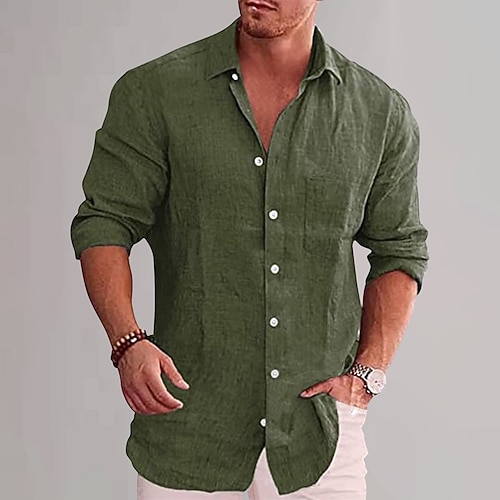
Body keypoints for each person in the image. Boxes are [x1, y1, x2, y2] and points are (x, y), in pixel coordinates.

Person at [70, 1, 429, 498]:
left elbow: (399, 249)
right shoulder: (155, 92)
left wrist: (368, 375)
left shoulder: (379, 112)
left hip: (319, 437)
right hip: (189, 429)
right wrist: (127, 342)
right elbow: (105, 220)